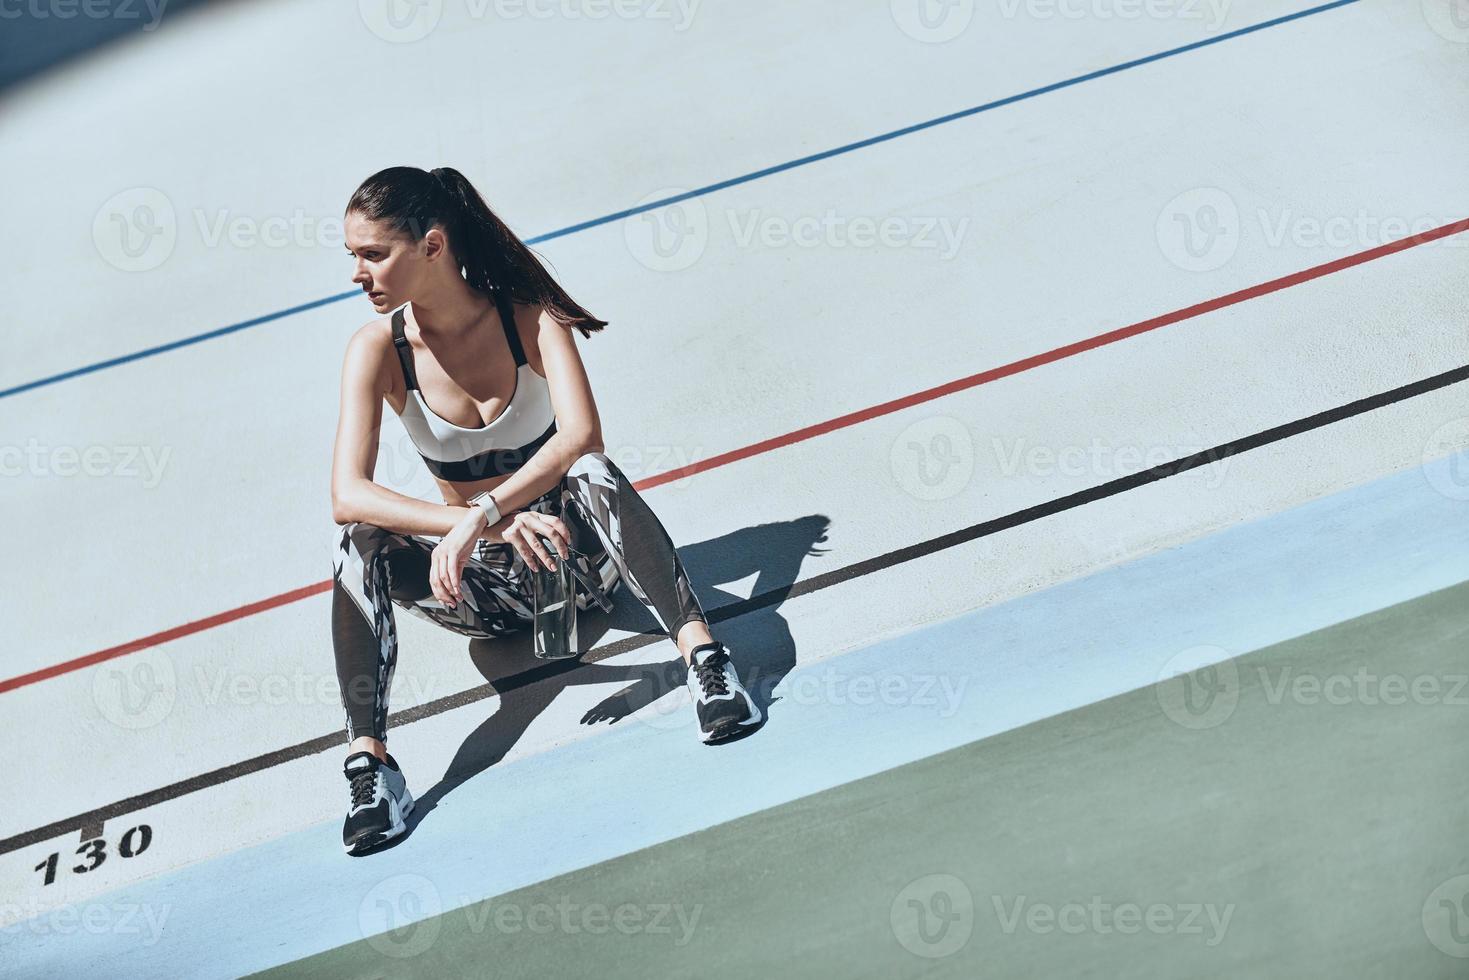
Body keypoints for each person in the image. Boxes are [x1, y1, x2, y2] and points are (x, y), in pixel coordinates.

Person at [330, 166, 761, 855]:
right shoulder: (377, 349)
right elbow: (346, 494)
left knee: (589, 470)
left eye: (373, 253)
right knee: (357, 540)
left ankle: (707, 665)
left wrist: (484, 508)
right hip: (483, 598)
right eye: (352, 255)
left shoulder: (528, 316)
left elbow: (583, 436)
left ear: (432, 247)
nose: (357, 272)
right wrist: (484, 526)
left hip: (574, 569)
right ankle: (371, 766)